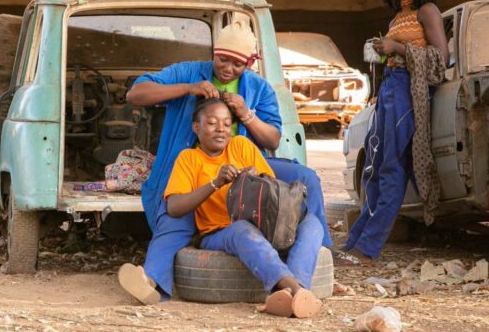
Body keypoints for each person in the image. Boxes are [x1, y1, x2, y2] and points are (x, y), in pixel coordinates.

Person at [118, 20, 331, 304]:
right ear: (213, 53)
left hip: (242, 160)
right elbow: (136, 94)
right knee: (176, 216)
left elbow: (272, 140)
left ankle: (318, 263)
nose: (228, 68)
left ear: (249, 64)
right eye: (222, 60)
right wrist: (188, 88)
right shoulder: (188, 74)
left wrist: (246, 115)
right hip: (198, 165)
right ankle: (152, 280)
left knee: (306, 183)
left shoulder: (258, 90)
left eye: (237, 64)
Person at [129, 98, 323, 317]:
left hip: (266, 225)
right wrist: (215, 183)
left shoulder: (241, 145)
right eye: (212, 123)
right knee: (243, 230)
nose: (221, 129)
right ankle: (297, 290)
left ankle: (292, 294)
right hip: (220, 232)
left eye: (227, 123)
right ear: (196, 127)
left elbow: (271, 187)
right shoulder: (189, 158)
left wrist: (254, 178)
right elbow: (174, 207)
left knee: (313, 224)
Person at [338, 0, 447, 264]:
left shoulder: (427, 11)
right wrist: (385, 51)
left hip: (408, 92)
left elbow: (440, 59)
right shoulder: (398, 17)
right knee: (372, 167)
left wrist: (397, 47)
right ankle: (355, 242)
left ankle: (367, 248)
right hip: (390, 87)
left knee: (390, 168)